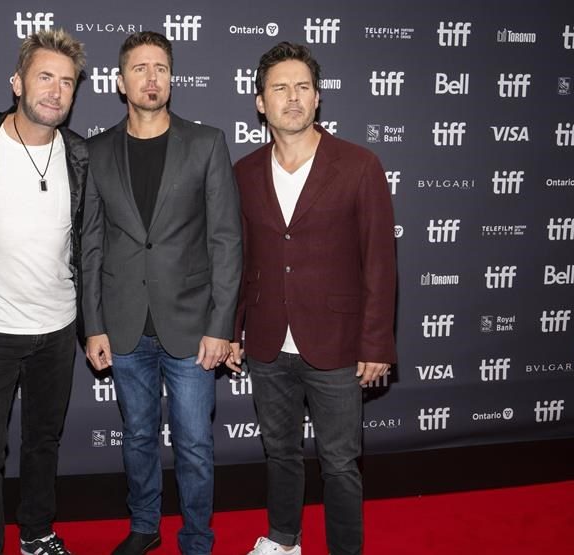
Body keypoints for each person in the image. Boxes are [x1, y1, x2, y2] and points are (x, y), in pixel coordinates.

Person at [226, 41, 396, 555]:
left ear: (318, 98)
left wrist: (376, 344)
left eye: (302, 87)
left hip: (340, 344)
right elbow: (237, 260)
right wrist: (232, 331)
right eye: (280, 88)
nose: (292, 97)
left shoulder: (359, 165)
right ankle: (283, 540)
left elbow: (380, 264)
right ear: (260, 102)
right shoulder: (244, 172)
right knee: (279, 451)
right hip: (269, 340)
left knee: (341, 462)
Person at [81, 31, 242, 555]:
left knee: (195, 444)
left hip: (192, 326)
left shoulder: (206, 142)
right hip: (125, 324)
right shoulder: (97, 150)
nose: (152, 78)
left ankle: (197, 537)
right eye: (140, 69)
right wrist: (94, 323)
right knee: (137, 438)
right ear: (119, 81)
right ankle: (145, 526)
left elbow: (225, 241)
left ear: (172, 77)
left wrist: (222, 327)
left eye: (161, 68)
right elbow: (90, 244)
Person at [0, 29, 88, 555]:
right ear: (17, 83)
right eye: (44, 77)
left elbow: (85, 244)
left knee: (43, 443)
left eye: (66, 82)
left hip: (58, 329)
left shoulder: (78, 154)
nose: (54, 91)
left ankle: (37, 533)